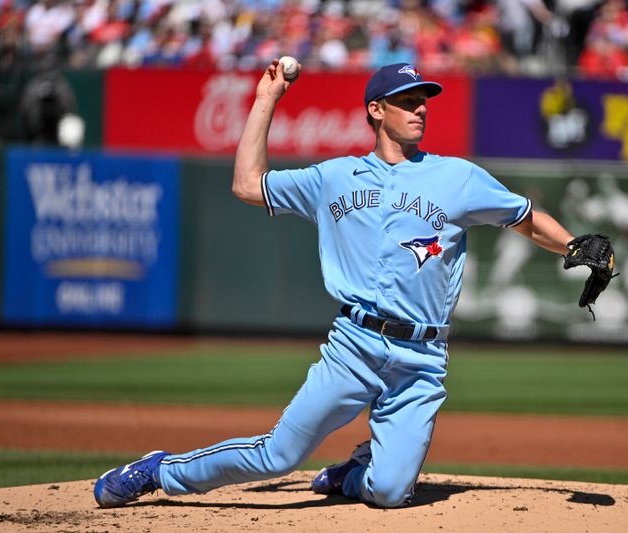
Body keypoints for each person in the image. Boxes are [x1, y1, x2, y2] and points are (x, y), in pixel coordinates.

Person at [93, 61, 577, 509]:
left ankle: (352, 475)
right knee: (277, 456)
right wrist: (267, 100)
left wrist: (575, 247)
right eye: (407, 101)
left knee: (388, 492)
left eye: (423, 100)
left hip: (422, 359)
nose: (421, 108)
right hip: (355, 346)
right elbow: (247, 184)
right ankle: (161, 470)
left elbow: (525, 218)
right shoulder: (334, 177)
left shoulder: (457, 177)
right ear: (376, 110)